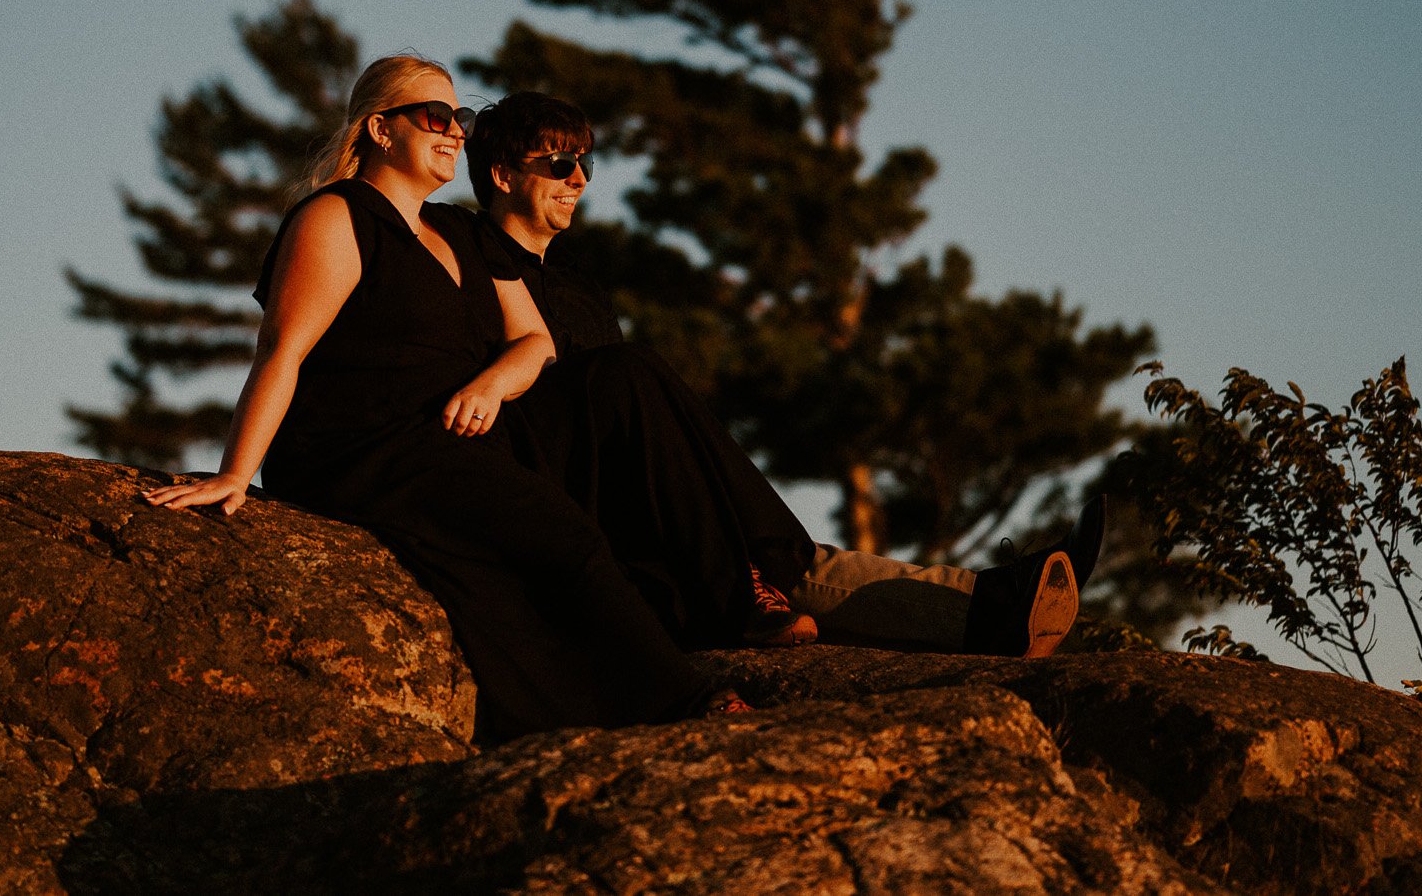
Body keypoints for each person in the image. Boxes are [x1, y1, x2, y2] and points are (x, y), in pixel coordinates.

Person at [141, 57, 748, 743]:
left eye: (460, 118)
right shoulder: (337, 216)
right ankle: (685, 703)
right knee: (560, 534)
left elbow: (533, 341)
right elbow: (282, 349)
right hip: (366, 443)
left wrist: (489, 384)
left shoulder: (460, 230)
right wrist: (233, 473)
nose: (457, 131)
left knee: (620, 390)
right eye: (437, 116)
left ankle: (743, 586)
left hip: (460, 425)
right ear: (379, 129)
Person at [463, 91, 1103, 659]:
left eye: (585, 164)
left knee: (791, 567)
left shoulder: (582, 287)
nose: (578, 179)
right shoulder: (463, 254)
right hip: (559, 500)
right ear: (501, 175)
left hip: (638, 510)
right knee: (646, 394)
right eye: (558, 164)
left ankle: (994, 608)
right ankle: (978, 604)